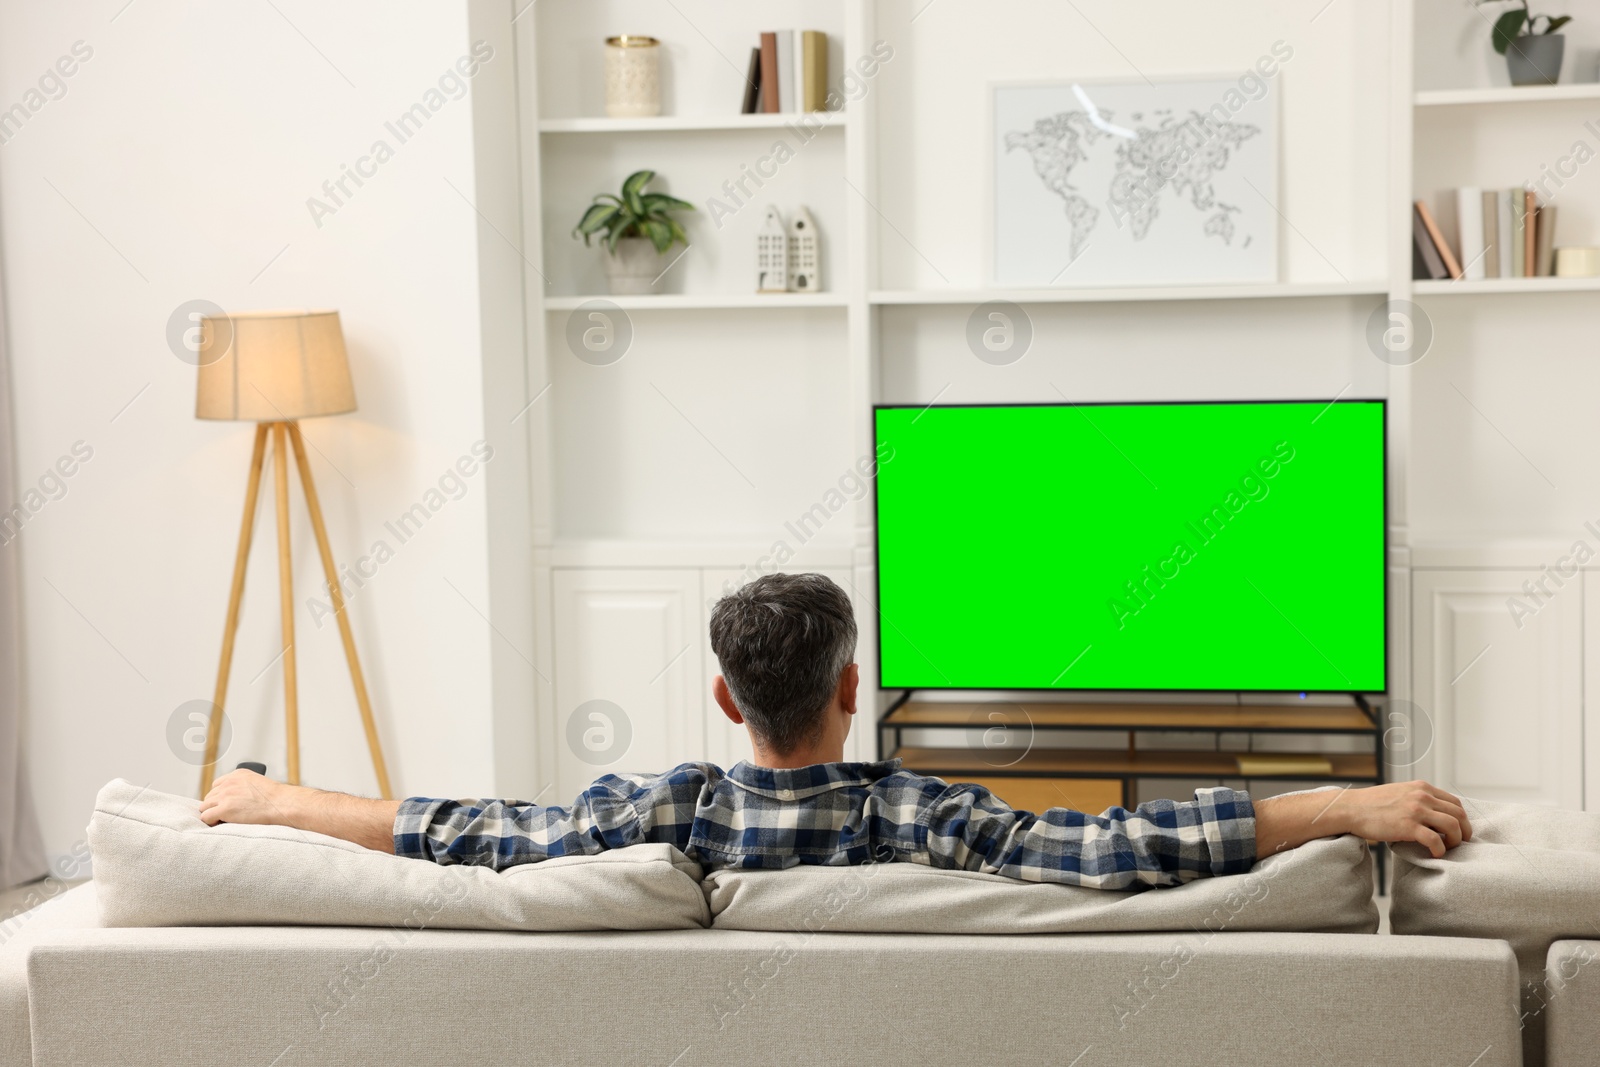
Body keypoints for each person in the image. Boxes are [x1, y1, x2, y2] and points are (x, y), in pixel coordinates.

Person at [200, 573, 1471, 890]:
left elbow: (463, 833)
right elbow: (1121, 845)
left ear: (723, 698)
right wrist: (1344, 802)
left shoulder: (659, 814)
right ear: (853, 688)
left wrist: (272, 801)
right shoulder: (920, 814)